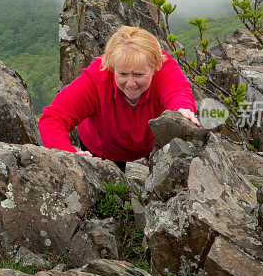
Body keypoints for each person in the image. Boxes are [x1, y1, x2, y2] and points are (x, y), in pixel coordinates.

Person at [38, 26, 199, 172]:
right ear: (112, 67)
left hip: (151, 143)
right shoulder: (97, 76)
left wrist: (182, 111)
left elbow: (178, 92)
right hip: (101, 147)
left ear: (155, 67)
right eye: (122, 74)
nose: (130, 83)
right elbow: (53, 117)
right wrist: (68, 158)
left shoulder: (164, 68)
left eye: (138, 74)